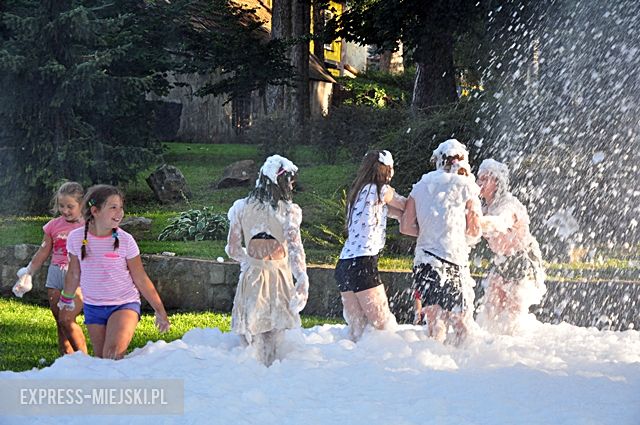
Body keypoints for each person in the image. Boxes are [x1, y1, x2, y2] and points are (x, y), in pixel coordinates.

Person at [58, 185, 170, 359]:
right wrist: (66, 299)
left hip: (124, 304)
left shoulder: (126, 241)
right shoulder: (76, 238)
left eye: (121, 207)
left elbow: (140, 278)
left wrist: (160, 310)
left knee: (112, 355)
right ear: (95, 211)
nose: (120, 212)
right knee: (102, 361)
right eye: (113, 207)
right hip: (93, 307)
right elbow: (74, 273)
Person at [225, 155, 309, 366]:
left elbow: (233, 248)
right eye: (291, 181)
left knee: (251, 341)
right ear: (283, 182)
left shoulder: (241, 207)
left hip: (253, 274)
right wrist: (302, 278)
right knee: (278, 343)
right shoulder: (289, 211)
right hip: (279, 276)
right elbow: (295, 249)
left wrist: (248, 261)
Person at [400, 139, 482, 345]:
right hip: (453, 262)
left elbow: (406, 227)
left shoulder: (420, 186)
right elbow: (474, 231)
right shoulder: (466, 187)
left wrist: (430, 230)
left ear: (438, 161)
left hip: (425, 261)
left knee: (434, 325)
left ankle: (431, 369)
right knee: (462, 325)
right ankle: (464, 370)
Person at [334, 150, 406, 341]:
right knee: (383, 329)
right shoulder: (381, 189)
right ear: (386, 170)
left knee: (357, 332)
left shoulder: (358, 191)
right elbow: (405, 205)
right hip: (363, 264)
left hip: (344, 265)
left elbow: (387, 211)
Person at [12, 181, 88, 355]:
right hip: (55, 275)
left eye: (70, 206)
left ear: (81, 204)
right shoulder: (53, 226)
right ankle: (65, 362)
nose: (65, 210)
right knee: (59, 322)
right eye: (61, 206)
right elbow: (43, 251)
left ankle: (85, 361)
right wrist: (28, 272)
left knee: (67, 319)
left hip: (77, 276)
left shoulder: (87, 226)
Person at [476, 159, 546, 334]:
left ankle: (516, 349)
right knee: (491, 309)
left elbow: (500, 222)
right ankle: (491, 349)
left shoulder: (509, 204)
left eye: (485, 179)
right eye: (479, 179)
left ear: (497, 182)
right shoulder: (485, 208)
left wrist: (475, 222)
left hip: (522, 259)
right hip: (502, 260)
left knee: (514, 315)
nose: (479, 183)